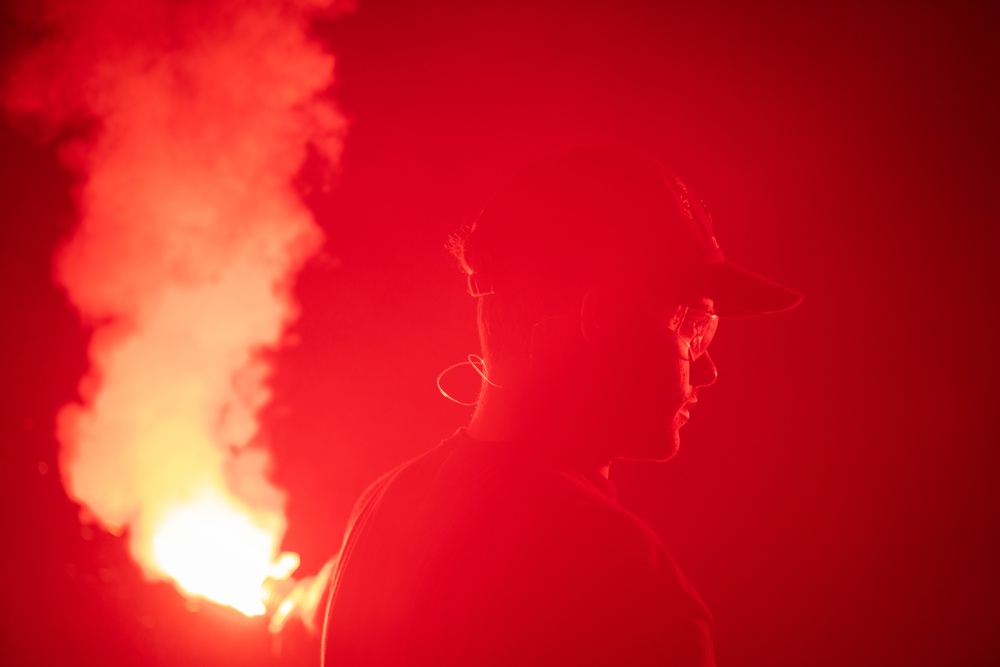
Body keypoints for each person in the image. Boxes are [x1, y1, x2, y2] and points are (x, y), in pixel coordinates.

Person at [317, 148, 802, 666]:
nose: (708, 371)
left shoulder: (384, 505)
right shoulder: (618, 575)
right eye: (692, 326)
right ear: (606, 320)